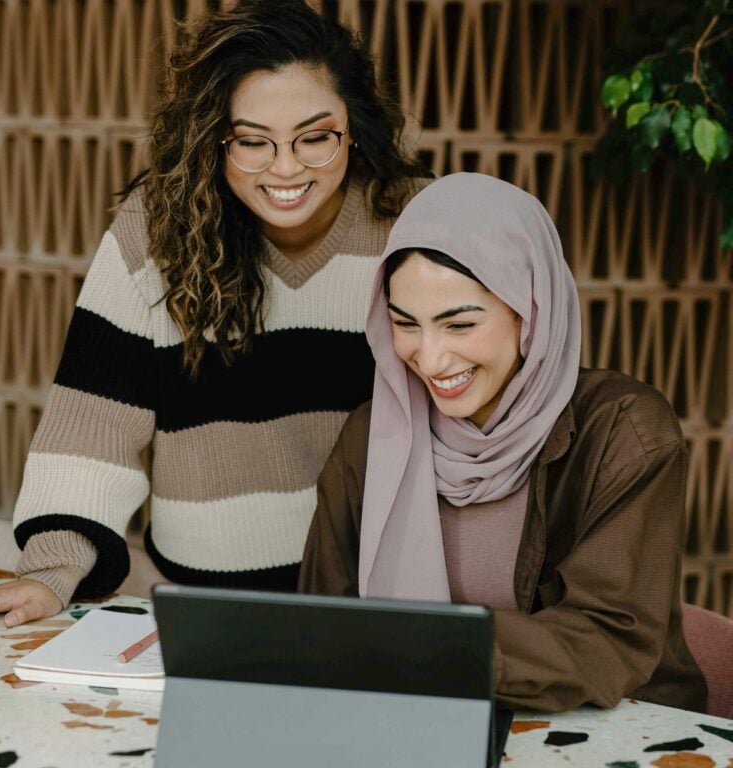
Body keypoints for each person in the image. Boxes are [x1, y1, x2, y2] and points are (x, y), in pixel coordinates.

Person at [0, 0, 426, 629]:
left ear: (355, 128)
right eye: (252, 142)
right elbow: (93, 423)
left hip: (376, 602)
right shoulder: (156, 232)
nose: (286, 167)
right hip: (199, 609)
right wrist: (52, 570)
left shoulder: (413, 226)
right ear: (213, 138)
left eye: (315, 138)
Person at [298, 173, 708, 712]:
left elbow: (609, 635)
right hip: (421, 721)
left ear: (530, 309)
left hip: (611, 731)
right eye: (406, 324)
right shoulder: (372, 437)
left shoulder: (624, 431)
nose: (431, 357)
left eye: (459, 325)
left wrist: (429, 649)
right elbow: (320, 619)